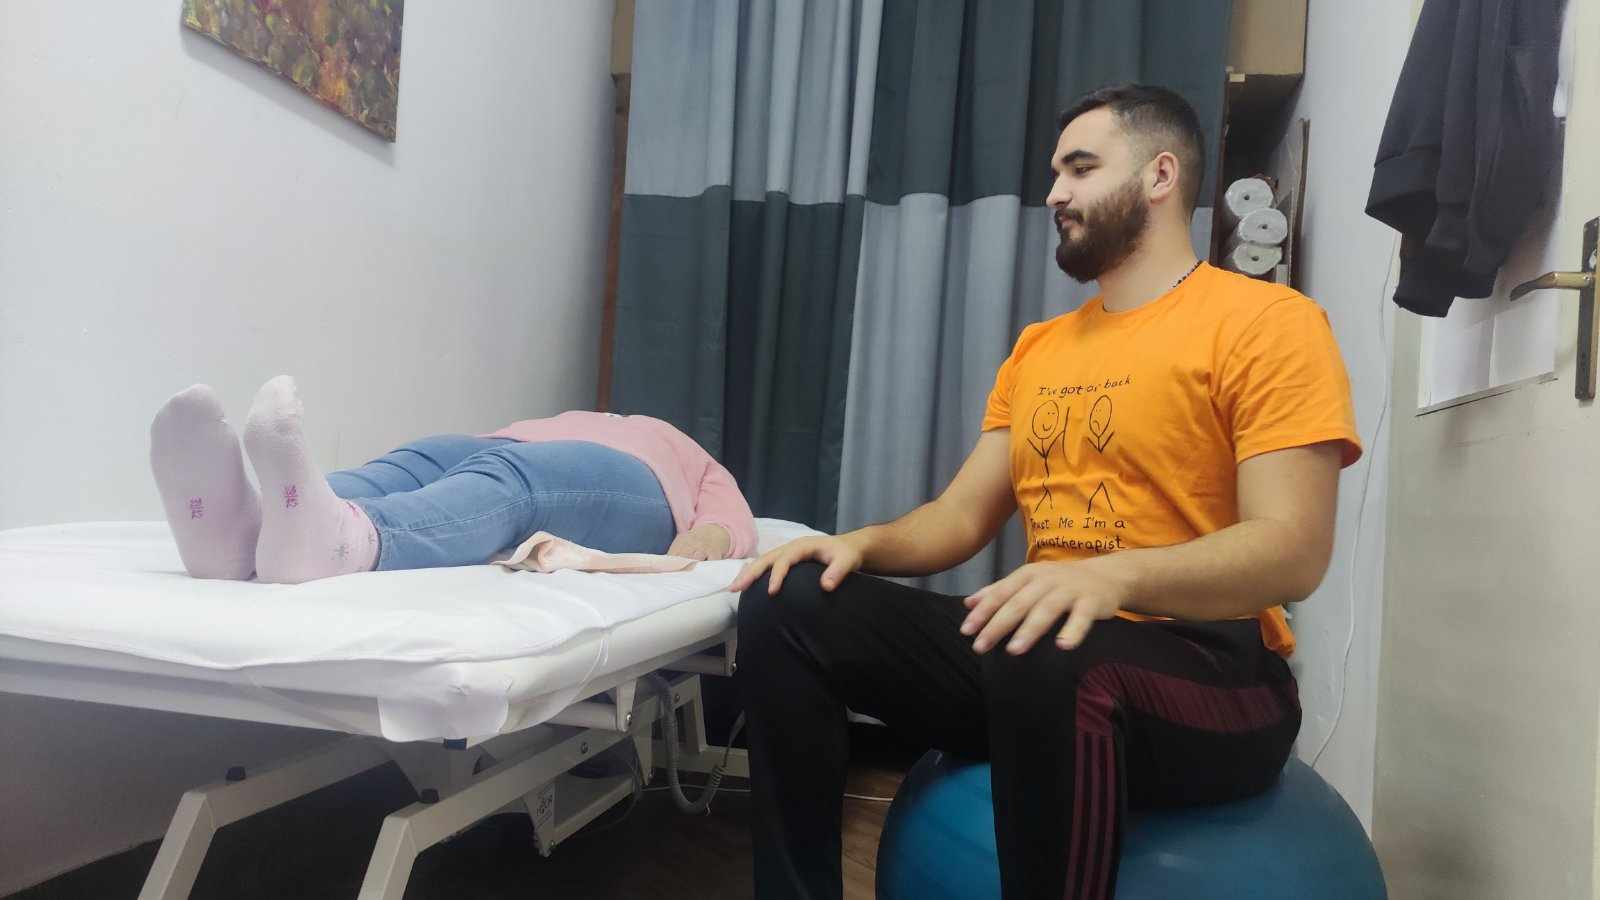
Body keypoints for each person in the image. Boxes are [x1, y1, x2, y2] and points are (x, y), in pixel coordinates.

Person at [729, 84, 1362, 900]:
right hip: (1038, 657)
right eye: (1055, 172)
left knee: (1049, 647)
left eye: (1081, 168)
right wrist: (856, 545)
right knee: (788, 603)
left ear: (1160, 175)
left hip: (1213, 673)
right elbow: (960, 517)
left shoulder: (1268, 322)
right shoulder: (1040, 349)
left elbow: (1293, 548)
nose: (1055, 192)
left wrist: (1111, 578)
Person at [149, 375, 756, 583]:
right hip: (507, 442)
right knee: (418, 460)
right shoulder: (568, 420)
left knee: (517, 478)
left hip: (640, 490)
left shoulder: (679, 448)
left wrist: (710, 540)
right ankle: (241, 531)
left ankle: (350, 541)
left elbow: (730, 510)